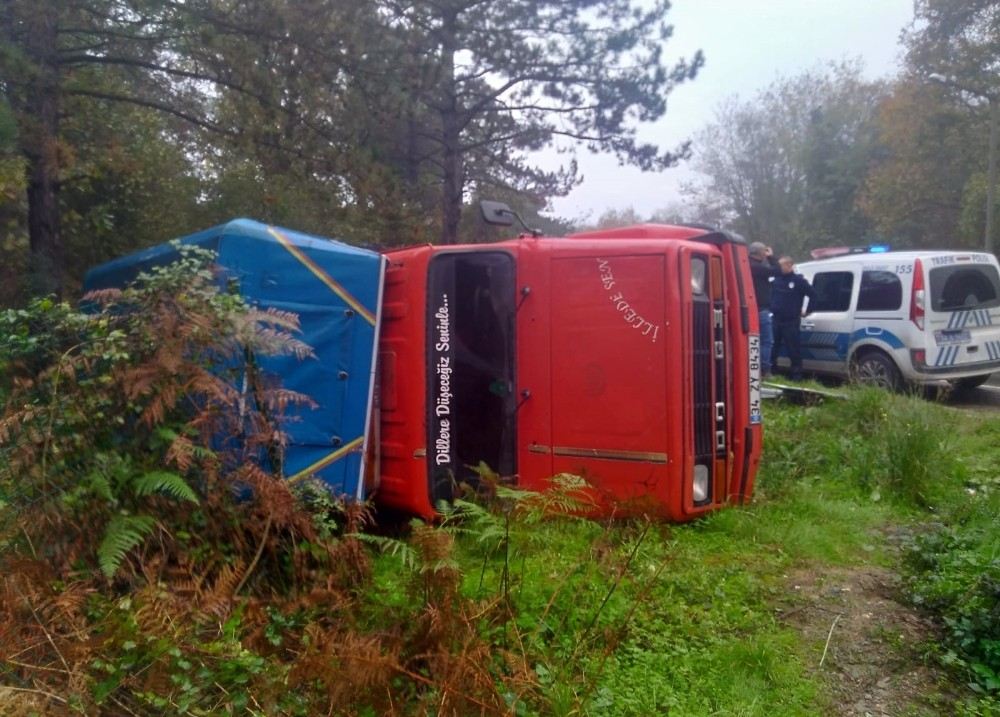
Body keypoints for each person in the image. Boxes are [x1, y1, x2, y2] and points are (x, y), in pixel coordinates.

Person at [769, 256, 816, 380]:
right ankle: (772, 371)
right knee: (773, 347)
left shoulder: (798, 281)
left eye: (781, 266)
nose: (779, 268)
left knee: (793, 349)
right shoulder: (776, 280)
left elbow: (813, 295)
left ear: (789, 265)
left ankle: (796, 376)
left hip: (791, 321)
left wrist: (808, 311)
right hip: (776, 319)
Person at [748, 242, 781, 376]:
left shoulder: (746, 265)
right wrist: (771, 257)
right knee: (766, 341)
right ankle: (765, 370)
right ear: (760, 252)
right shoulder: (757, 267)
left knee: (752, 340)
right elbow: (778, 271)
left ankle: (753, 368)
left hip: (749, 309)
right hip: (761, 309)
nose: (765, 253)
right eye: (764, 251)